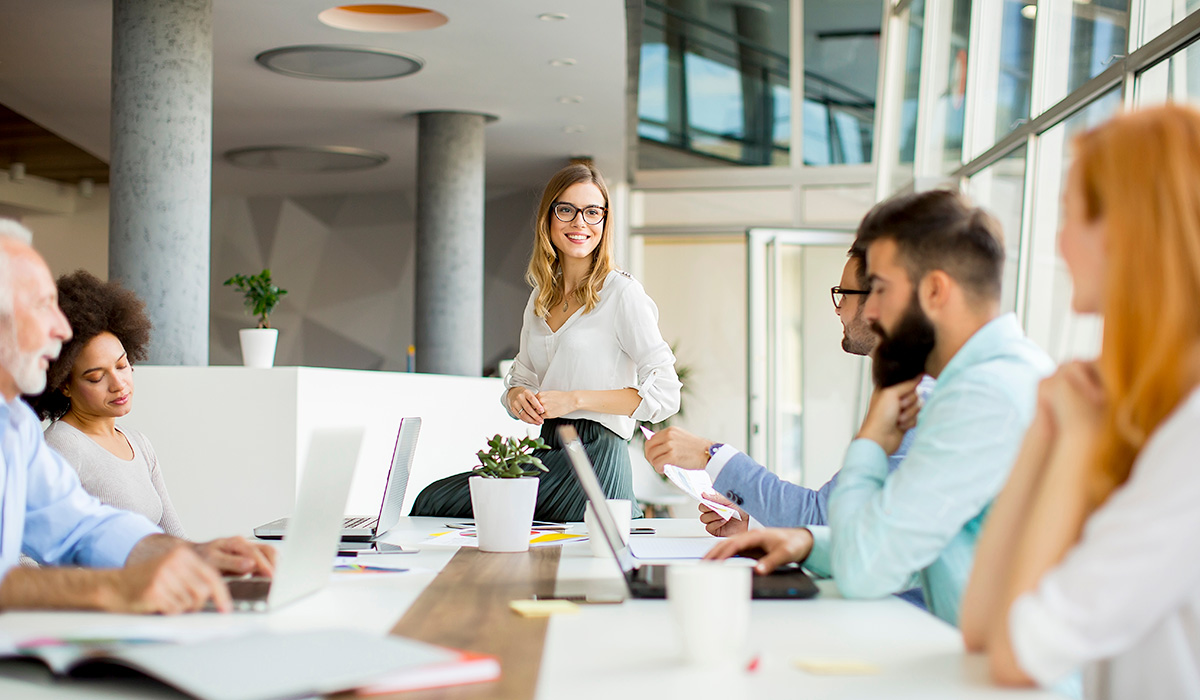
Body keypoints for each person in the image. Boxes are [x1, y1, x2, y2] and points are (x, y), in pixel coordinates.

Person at [704, 189, 1054, 627]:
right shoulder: (994, 378)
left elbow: (862, 567)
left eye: (881, 289)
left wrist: (871, 441)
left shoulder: (983, 397)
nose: (869, 309)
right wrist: (811, 545)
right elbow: (912, 544)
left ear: (935, 291)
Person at [960, 105, 1200, 699]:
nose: (1059, 243)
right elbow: (982, 626)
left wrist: (1077, 443)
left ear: (1122, 231)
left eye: (1067, 215)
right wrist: (1051, 431)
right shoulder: (1149, 405)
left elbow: (1020, 652)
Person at [0, 226, 275, 613]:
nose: (60, 330)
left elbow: (80, 526)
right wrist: (110, 588)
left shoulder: (15, 426)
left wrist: (194, 555)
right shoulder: (57, 441)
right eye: (42, 306)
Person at [411, 163, 681, 522]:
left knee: (446, 507)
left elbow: (665, 394)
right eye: (566, 209)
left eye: (592, 212)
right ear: (549, 218)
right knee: (433, 500)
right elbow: (521, 378)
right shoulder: (541, 297)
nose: (579, 222)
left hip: (596, 457)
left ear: (604, 221)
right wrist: (515, 396)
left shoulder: (622, 294)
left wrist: (574, 398)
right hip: (548, 447)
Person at [645, 246, 933, 536]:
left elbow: (826, 517)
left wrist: (710, 455)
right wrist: (756, 521)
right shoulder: (905, 388)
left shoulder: (917, 400)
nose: (838, 308)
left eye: (844, 294)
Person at [27, 271, 184, 537]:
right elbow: (22, 547)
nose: (119, 384)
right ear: (63, 384)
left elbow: (174, 539)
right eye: (97, 377)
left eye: (122, 366)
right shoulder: (60, 446)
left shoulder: (139, 444)